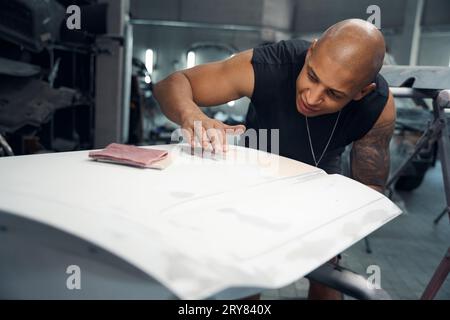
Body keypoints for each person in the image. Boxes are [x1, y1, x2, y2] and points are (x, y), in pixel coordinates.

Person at [153, 19, 396, 300]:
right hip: (258, 170)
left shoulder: (377, 106)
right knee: (247, 271)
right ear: (310, 52)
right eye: (312, 76)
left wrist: (330, 229)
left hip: (321, 179)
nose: (312, 97)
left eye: (333, 93)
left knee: (326, 273)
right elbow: (171, 84)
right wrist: (191, 115)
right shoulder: (269, 67)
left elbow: (370, 188)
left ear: (362, 91)